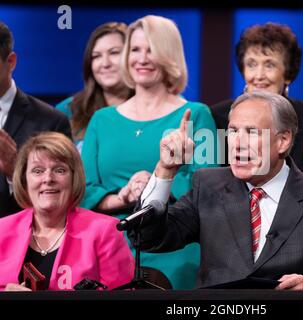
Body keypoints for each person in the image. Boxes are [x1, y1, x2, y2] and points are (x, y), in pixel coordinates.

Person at [131, 91, 303, 289]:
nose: (237, 143)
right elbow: (148, 238)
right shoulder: (208, 186)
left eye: (251, 132)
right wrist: (165, 170)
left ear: (282, 140)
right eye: (233, 131)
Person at [81, 15, 218, 289]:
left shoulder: (197, 114)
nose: (141, 59)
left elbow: (210, 191)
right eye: (135, 49)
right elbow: (83, 190)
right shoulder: (101, 119)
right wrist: (123, 196)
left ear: (169, 55)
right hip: (109, 240)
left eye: (151, 49)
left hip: (172, 243)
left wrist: (157, 183)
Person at [0, 132, 134, 291]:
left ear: (73, 179)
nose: (48, 178)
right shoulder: (2, 230)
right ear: (24, 180)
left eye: (59, 170)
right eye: (37, 171)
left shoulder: (105, 232)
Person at [210, 22, 303, 172]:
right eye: (252, 64)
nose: (259, 76)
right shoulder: (216, 117)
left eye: (270, 65)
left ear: (288, 74)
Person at [0, 21, 71, 218]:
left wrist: (14, 169)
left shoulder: (51, 121)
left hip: (18, 239)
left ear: (11, 62)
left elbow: (59, 199)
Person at [56, 22, 134, 152]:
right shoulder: (67, 110)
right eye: (96, 56)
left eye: (114, 53)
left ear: (131, 56)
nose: (105, 63)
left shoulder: (157, 109)